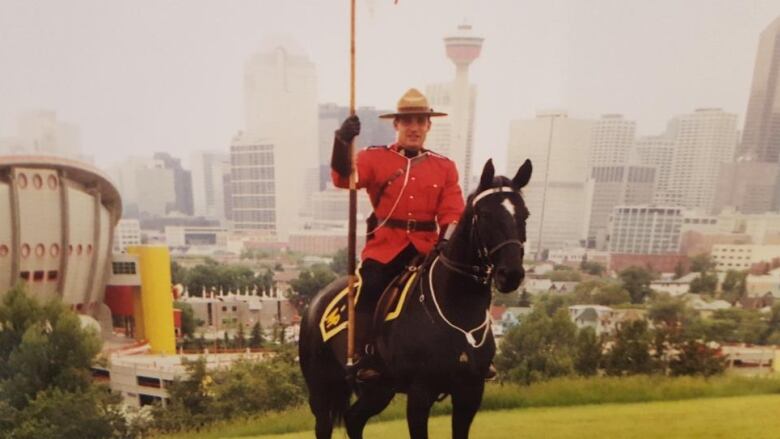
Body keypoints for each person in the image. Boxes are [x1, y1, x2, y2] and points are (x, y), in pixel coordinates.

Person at [331, 88, 465, 381]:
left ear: (429, 125)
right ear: (396, 125)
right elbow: (344, 178)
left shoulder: (444, 167)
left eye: (420, 121)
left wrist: (446, 241)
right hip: (386, 247)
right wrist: (341, 142)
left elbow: (453, 211)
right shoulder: (374, 158)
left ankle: (471, 351)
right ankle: (365, 356)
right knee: (370, 288)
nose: (414, 128)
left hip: (429, 249)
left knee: (464, 286)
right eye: (407, 122)